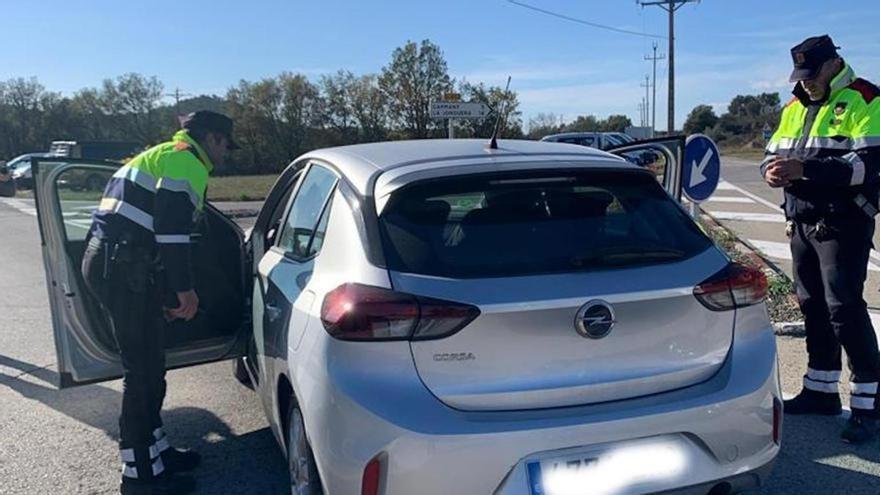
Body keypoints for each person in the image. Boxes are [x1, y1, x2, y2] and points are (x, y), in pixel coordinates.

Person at [81, 111, 238, 493]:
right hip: (123, 270)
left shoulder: (165, 153)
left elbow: (153, 228)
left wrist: (165, 290)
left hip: (119, 265)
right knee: (142, 376)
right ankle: (139, 478)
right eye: (226, 145)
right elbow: (172, 234)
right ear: (213, 138)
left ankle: (156, 452)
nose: (226, 154)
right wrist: (184, 291)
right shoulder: (187, 162)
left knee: (151, 369)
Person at [763, 35, 880, 443]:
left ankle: (869, 403)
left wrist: (805, 171)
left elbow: (869, 165)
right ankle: (820, 389)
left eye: (813, 75)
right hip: (801, 221)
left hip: (842, 223)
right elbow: (770, 152)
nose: (807, 83)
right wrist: (771, 172)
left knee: (843, 308)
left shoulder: (866, 98)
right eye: (802, 76)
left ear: (833, 64)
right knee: (812, 305)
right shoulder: (794, 107)